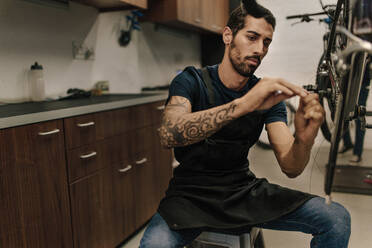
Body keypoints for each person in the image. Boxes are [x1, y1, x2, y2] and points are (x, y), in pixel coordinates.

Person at [140, 1, 351, 247]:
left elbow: (291, 167)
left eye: (266, 42)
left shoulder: (269, 98)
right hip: (189, 196)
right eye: (252, 37)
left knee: (336, 218)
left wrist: (305, 138)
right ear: (228, 35)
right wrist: (243, 105)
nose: (259, 49)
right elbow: (169, 134)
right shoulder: (191, 80)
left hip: (241, 191)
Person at [339, 58, 371, 165]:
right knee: (341, 113)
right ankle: (347, 143)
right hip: (348, 81)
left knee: (359, 116)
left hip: (363, 83)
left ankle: (358, 153)